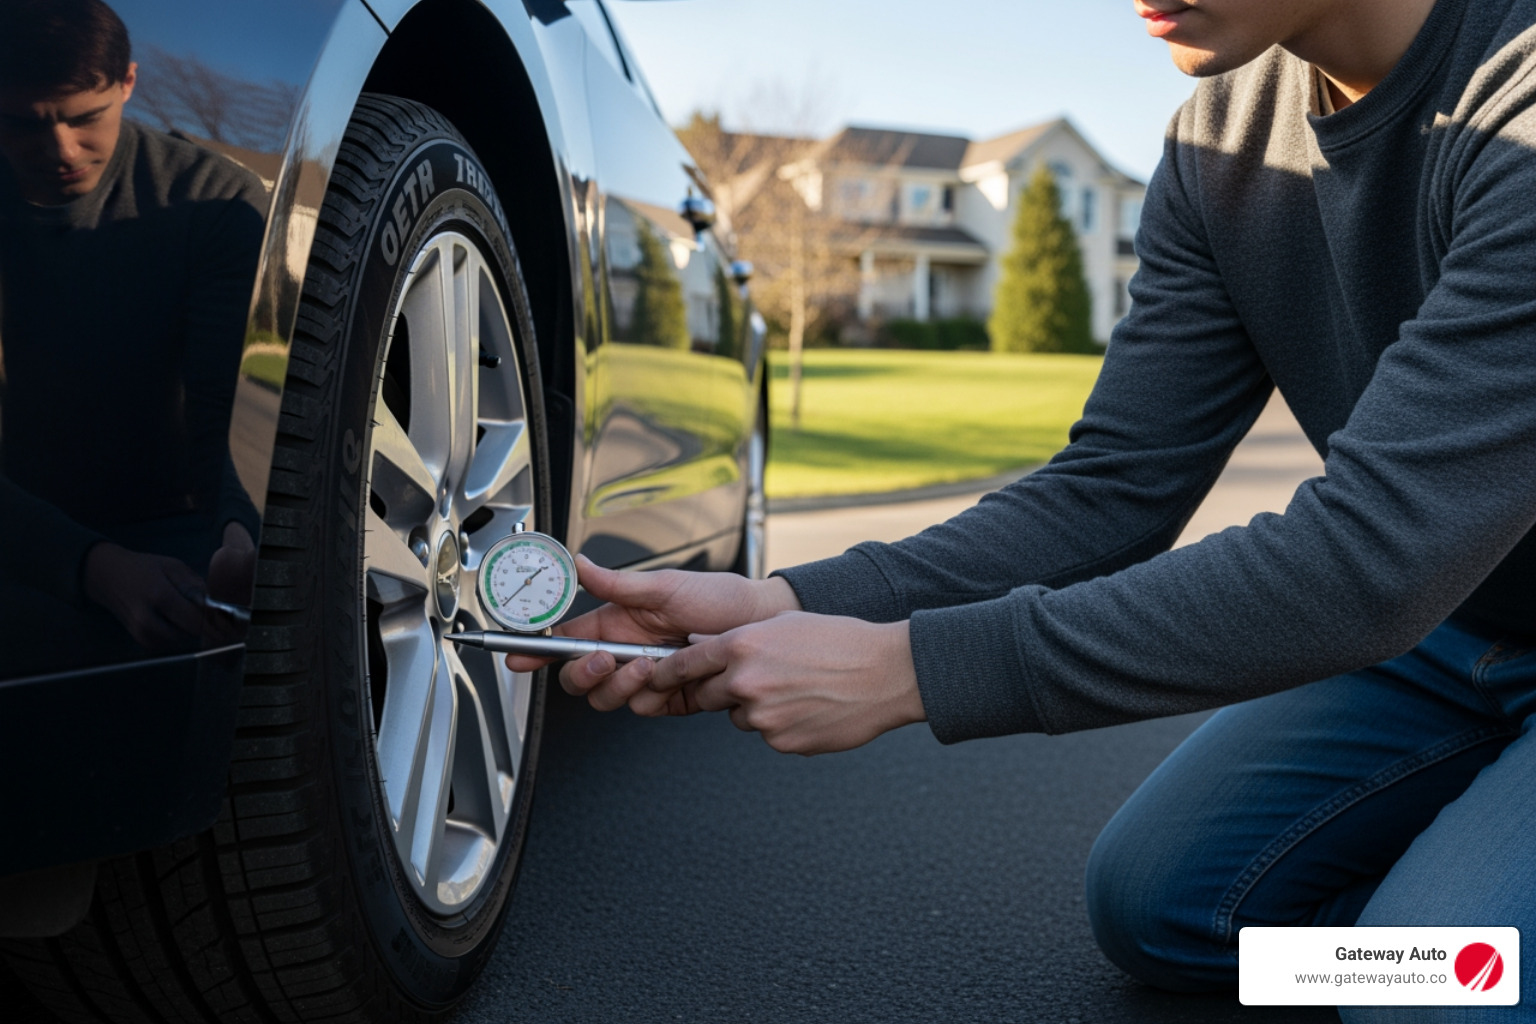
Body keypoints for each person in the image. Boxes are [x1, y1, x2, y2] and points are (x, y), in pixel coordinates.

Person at [512, 0, 1536, 1016]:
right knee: (1161, 908)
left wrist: (911, 669)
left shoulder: (1520, 98)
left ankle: (1456, 955)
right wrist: (786, 599)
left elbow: (1363, 566)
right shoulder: (1221, 143)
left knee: (1434, 997)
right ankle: (1451, 933)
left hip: (1408, 595)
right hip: (1455, 633)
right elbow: (1113, 489)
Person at [0, 0, 265, 677]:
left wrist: (240, 536)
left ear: (129, 83)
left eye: (86, 117)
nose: (61, 151)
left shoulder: (210, 200)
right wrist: (93, 568)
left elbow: (223, 418)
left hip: (169, 519)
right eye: (25, 125)